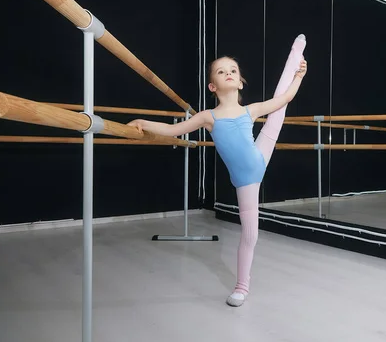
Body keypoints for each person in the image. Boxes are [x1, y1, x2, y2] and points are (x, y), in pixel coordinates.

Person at [128, 34, 307, 306]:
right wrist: (143, 122)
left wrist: (299, 76)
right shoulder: (207, 117)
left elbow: (286, 98)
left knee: (278, 109)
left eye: (233, 70)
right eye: (222, 71)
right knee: (251, 234)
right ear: (213, 86)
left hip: (260, 156)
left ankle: (295, 55)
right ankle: (242, 287)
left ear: (240, 81)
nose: (229, 73)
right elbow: (173, 131)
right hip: (247, 180)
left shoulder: (250, 110)